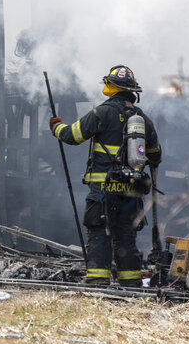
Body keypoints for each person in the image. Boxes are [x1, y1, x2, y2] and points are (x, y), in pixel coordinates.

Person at [49, 64, 162, 286]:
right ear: (132, 92)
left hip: (103, 190)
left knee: (100, 232)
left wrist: (56, 127)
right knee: (126, 237)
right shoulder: (143, 120)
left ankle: (98, 283)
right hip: (130, 191)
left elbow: (73, 135)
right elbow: (156, 155)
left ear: (112, 87)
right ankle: (130, 284)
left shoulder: (102, 112)